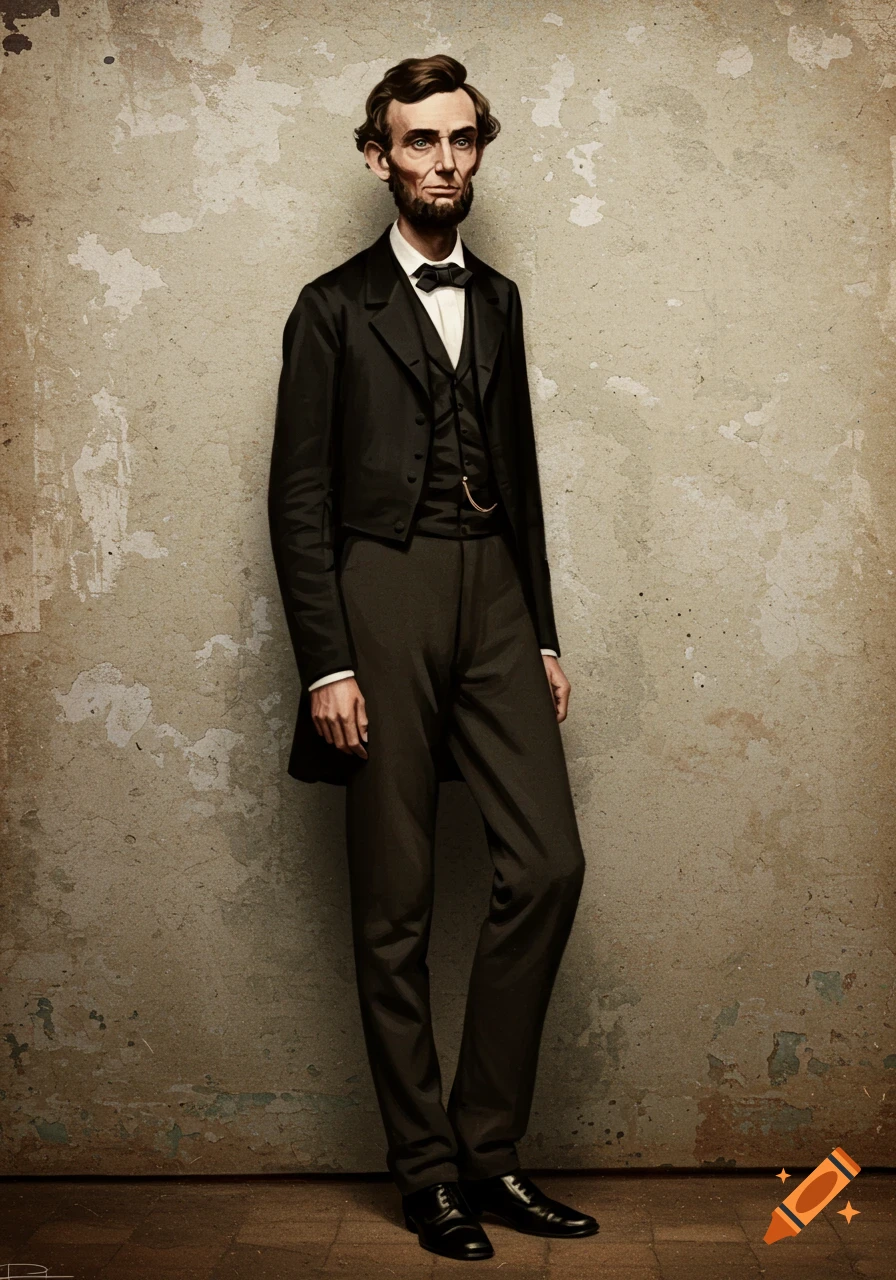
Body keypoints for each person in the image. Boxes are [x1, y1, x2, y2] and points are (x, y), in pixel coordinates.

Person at [268, 53, 597, 1262]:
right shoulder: (327, 307)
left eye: (461, 140)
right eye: (419, 142)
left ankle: (487, 1145)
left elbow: (517, 474)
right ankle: (427, 1174)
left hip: (497, 590)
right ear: (378, 156)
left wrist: (544, 628)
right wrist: (326, 662)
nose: (443, 161)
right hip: (380, 595)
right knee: (395, 900)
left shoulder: (500, 297)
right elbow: (295, 500)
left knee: (548, 865)